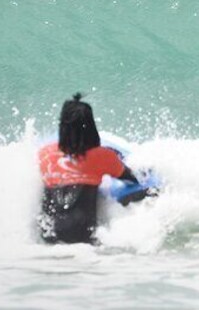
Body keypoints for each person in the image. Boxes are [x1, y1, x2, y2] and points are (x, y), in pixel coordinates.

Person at [37, 93, 142, 244]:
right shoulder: (102, 156)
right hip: (83, 238)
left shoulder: (44, 154)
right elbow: (132, 180)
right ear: (91, 127)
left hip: (48, 235)